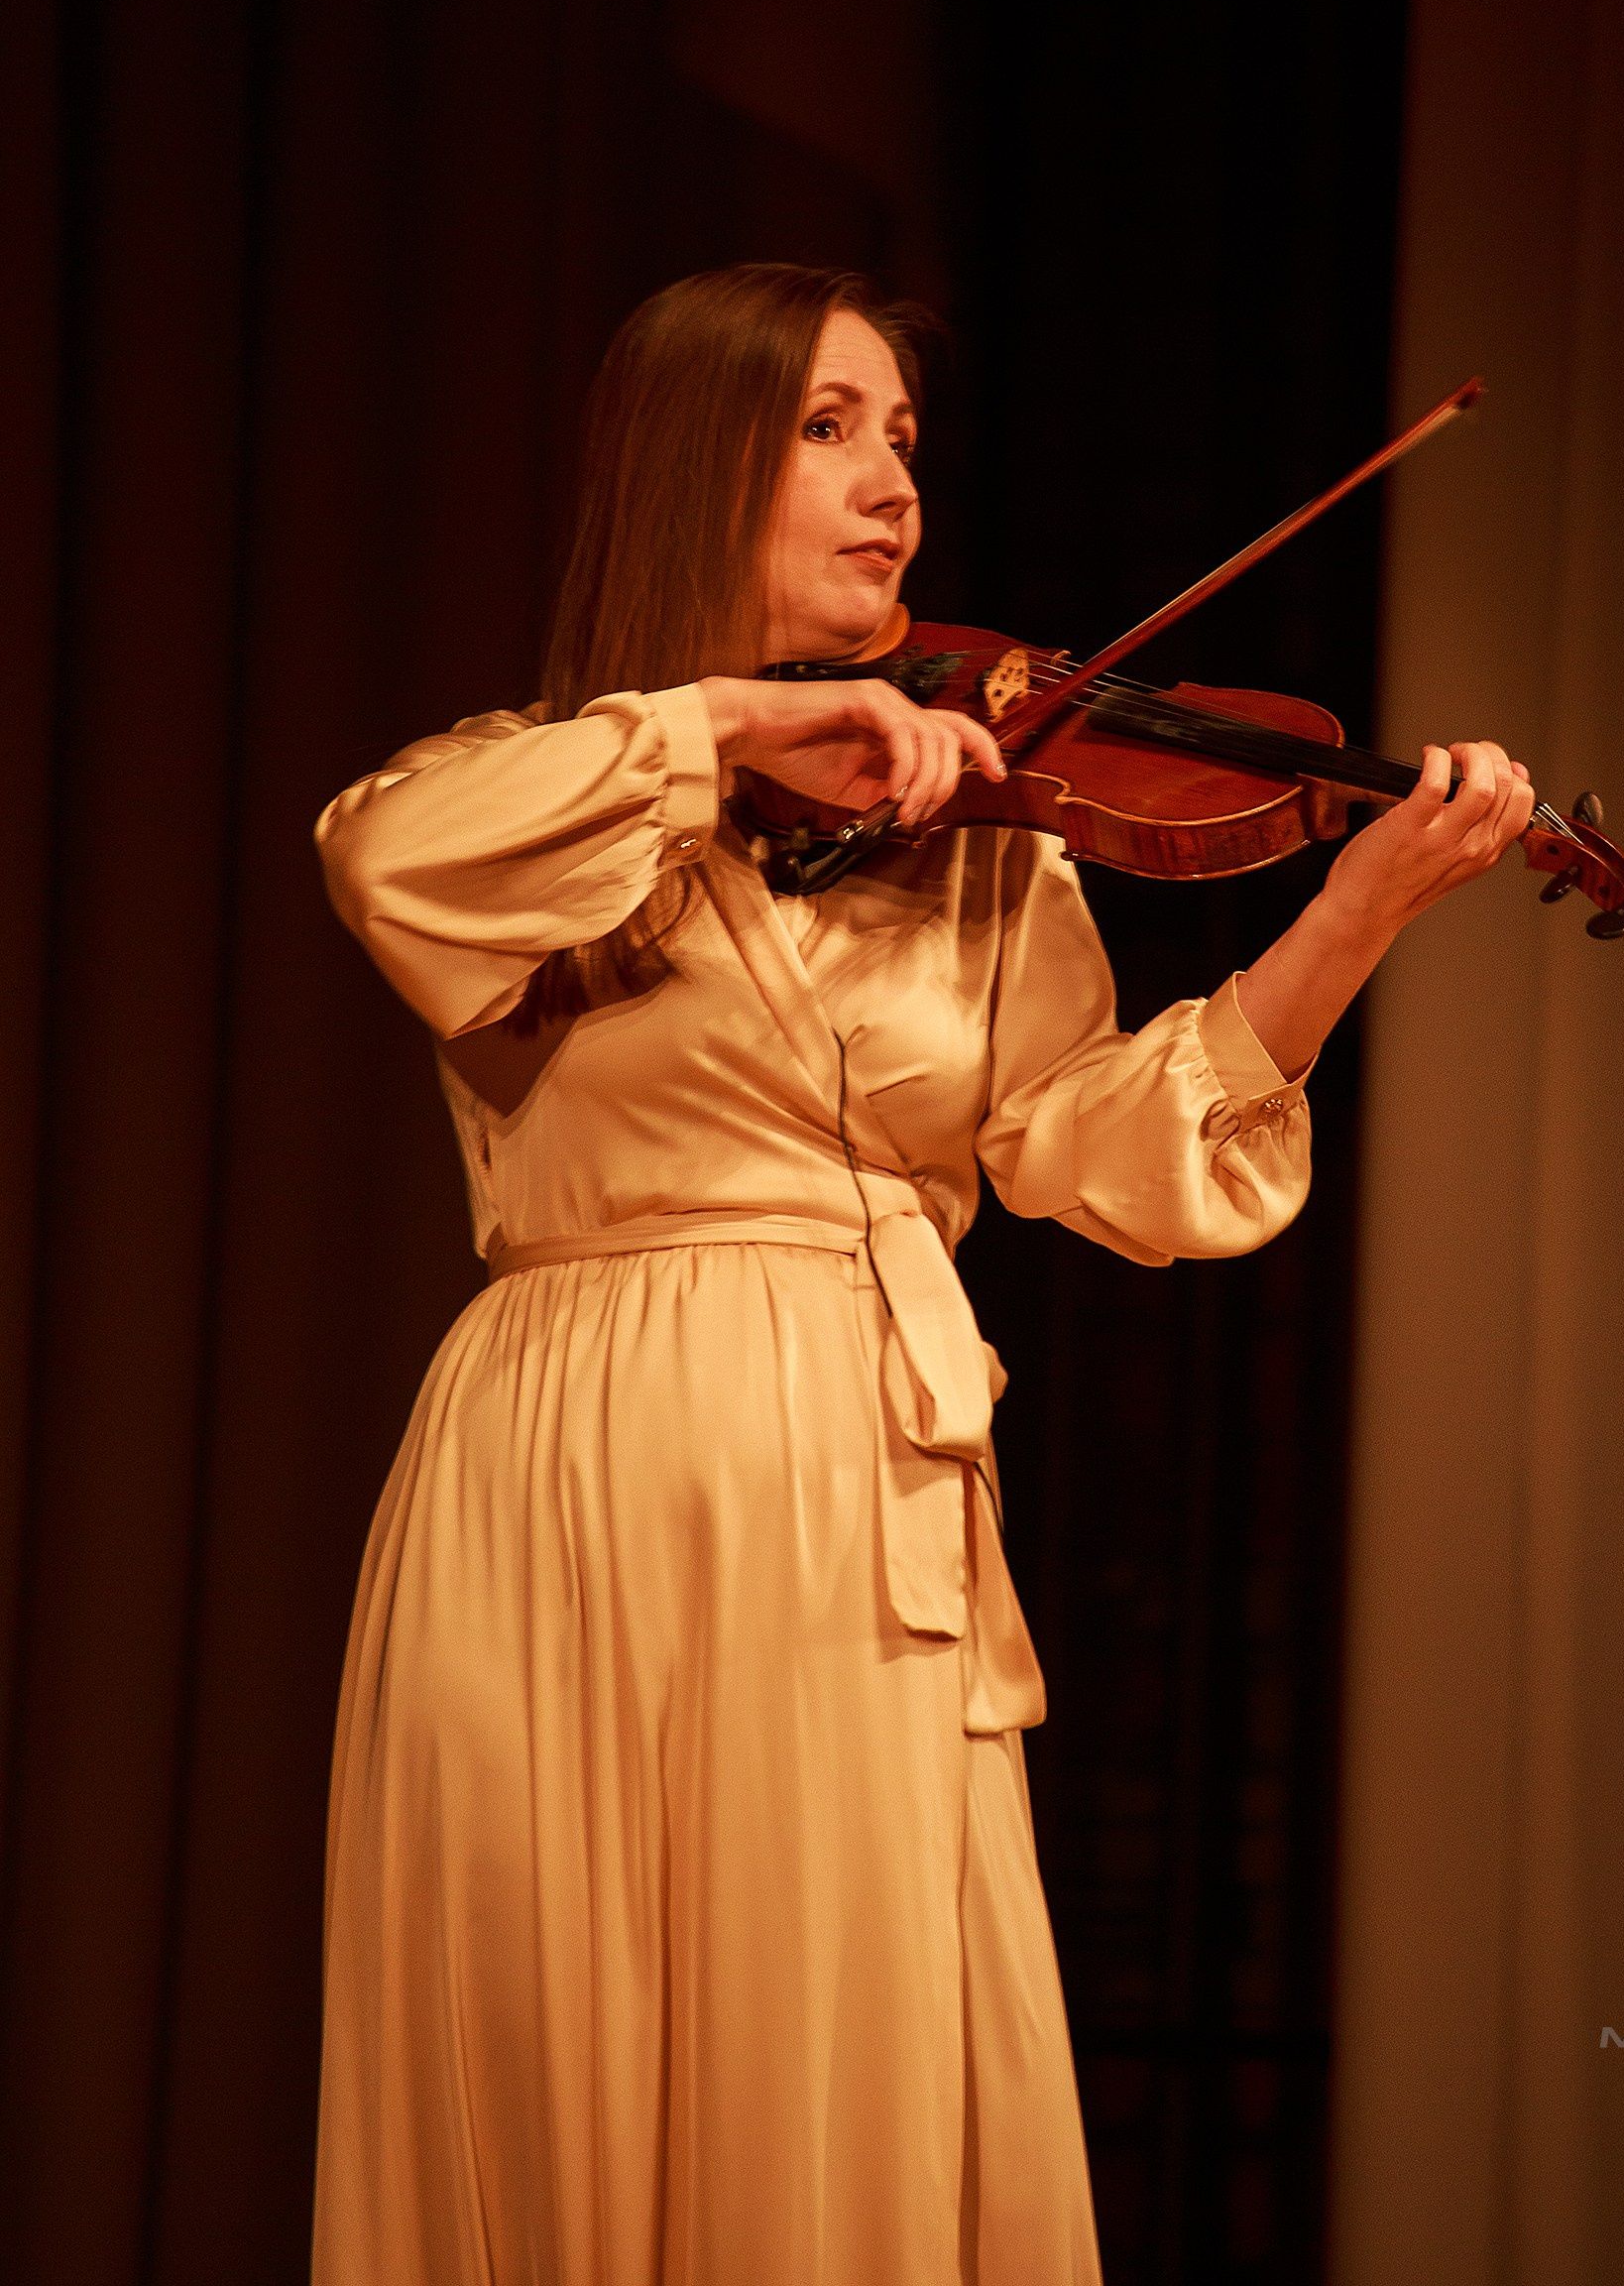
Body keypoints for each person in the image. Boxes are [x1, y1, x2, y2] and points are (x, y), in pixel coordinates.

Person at [309, 262, 1534, 2286]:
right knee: (553, 2028)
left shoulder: (989, 832)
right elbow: (383, 860)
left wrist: (1353, 917)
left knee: (848, 2045)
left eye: (900, 435)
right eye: (824, 428)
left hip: (860, 1467)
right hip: (571, 1470)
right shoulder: (549, 785)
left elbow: (1093, 1156)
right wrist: (723, 725)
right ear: (693, 463)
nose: (892, 485)